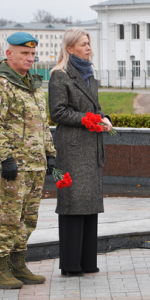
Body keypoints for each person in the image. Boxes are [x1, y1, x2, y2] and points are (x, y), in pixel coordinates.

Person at [0, 32, 56, 289]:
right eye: (24, 53)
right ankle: (0, 270)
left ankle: (18, 264)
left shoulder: (34, 84)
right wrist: (5, 159)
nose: (30, 58)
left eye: (33, 54)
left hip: (35, 164)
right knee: (9, 217)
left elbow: (43, 124)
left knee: (29, 218)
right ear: (9, 54)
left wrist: (50, 155)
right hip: (12, 166)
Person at [48, 28, 112, 276]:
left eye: (88, 43)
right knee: (73, 204)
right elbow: (58, 113)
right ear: (70, 48)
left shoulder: (89, 74)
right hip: (73, 149)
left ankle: (88, 262)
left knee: (89, 205)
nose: (88, 48)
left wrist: (103, 117)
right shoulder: (59, 76)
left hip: (91, 146)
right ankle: (71, 265)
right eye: (83, 44)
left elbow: (95, 107)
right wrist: (88, 119)